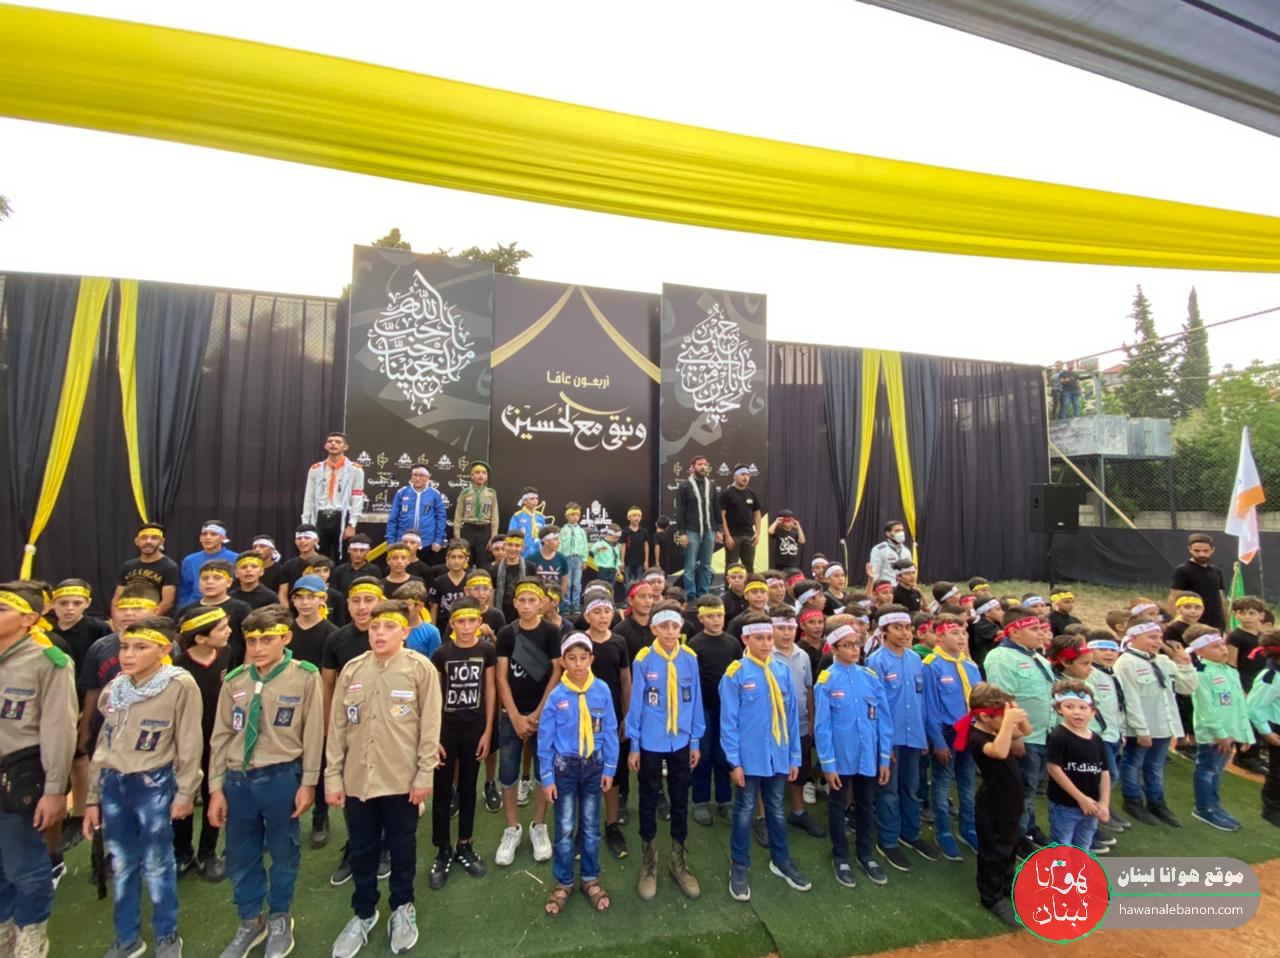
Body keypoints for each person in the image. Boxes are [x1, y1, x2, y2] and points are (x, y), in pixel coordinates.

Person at [325, 600, 441, 958]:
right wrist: (333, 777)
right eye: (375, 627)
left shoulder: (420, 669)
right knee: (361, 849)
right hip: (358, 779)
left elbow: (430, 727)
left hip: (402, 780)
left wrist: (424, 775)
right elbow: (338, 727)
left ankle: (403, 908)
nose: (379, 633)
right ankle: (364, 912)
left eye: (389, 627)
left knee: (402, 848)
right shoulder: (352, 670)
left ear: (405, 632)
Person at [206, 605, 323, 958]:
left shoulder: (305, 677)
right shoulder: (235, 681)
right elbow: (221, 736)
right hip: (238, 779)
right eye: (251, 640)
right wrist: (215, 788)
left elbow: (313, 733)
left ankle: (280, 917)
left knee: (284, 851)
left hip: (281, 776)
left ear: (285, 638)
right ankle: (250, 920)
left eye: (267, 640)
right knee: (241, 855)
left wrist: (309, 783)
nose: (258, 648)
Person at [83, 615, 202, 958]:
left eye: (140, 647)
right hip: (114, 784)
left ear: (164, 649)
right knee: (122, 863)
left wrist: (185, 792)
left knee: (157, 863)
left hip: (153, 785)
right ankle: (127, 936)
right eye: (124, 647)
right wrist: (92, 798)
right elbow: (104, 744)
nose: (128, 655)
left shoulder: (180, 685)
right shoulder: (116, 688)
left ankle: (167, 934)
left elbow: (190, 743)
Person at [0, 583, 77, 958]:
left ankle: (31, 937)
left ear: (29, 618)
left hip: (21, 774)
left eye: (2, 609)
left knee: (25, 867)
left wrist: (55, 789)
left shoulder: (49, 662)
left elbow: (60, 729)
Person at [721, 614, 809, 901]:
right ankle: (739, 865)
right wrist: (734, 762)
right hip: (750, 758)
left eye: (769, 637)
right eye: (759, 638)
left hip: (779, 755)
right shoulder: (735, 673)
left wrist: (794, 757)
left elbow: (792, 718)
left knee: (776, 808)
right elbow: (728, 722)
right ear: (745, 639)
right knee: (745, 810)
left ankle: (781, 860)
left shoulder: (782, 670)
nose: (766, 643)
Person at [626, 601, 704, 901]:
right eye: (664, 626)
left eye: (675, 626)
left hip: (681, 740)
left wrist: (695, 741)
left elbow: (695, 700)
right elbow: (636, 703)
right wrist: (634, 744)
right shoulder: (644, 660)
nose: (670, 632)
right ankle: (649, 863)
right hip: (651, 740)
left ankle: (678, 860)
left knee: (681, 798)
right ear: (653, 629)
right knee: (648, 798)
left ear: (680, 627)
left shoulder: (689, 658)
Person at [538, 633, 619, 916]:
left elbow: (610, 729)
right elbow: (545, 739)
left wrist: (610, 767)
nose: (578, 664)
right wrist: (547, 777)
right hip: (565, 769)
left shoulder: (602, 690)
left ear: (591, 659)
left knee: (591, 826)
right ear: (562, 661)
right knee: (564, 827)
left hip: (594, 766)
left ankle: (590, 878)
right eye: (571, 658)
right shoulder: (556, 696)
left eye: (583, 658)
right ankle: (564, 881)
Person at [814, 624, 892, 888]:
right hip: (841, 756)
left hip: (867, 755)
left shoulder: (869, 676)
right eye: (847, 645)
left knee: (866, 804)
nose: (854, 650)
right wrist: (828, 764)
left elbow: (883, 719)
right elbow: (822, 726)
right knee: (838, 805)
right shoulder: (826, 680)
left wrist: (884, 757)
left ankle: (866, 854)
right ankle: (841, 855)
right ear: (834, 649)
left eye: (857, 644)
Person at [494, 580, 563, 868]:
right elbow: (501, 676)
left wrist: (538, 712)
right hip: (511, 715)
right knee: (508, 772)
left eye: (532, 600)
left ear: (542, 602)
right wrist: (514, 715)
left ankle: (538, 824)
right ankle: (512, 828)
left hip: (543, 715)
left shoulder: (551, 632)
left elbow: (557, 671)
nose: (526, 606)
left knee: (542, 770)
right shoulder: (507, 633)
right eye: (521, 600)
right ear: (514, 603)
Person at [428, 600, 495, 890]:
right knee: (442, 791)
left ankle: (464, 843)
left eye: (472, 621)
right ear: (452, 624)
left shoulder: (487, 651)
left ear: (479, 622)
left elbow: (490, 690)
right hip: (445, 732)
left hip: (474, 730)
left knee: (469, 788)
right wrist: (433, 737)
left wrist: (488, 731)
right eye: (461, 622)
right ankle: (443, 849)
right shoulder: (441, 654)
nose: (466, 628)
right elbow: (433, 697)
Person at [319, 577, 380, 885]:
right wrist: (329, 728)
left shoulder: (389, 635)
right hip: (350, 728)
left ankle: (383, 846)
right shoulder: (337, 639)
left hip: (385, 729)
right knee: (352, 791)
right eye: (356, 601)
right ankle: (355, 848)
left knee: (384, 789)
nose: (362, 607)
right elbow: (327, 686)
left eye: (369, 600)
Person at [865, 607, 936, 870]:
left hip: (913, 735)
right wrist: (883, 744)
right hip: (890, 738)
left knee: (912, 787)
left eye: (907, 628)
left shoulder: (916, 660)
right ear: (884, 632)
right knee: (889, 791)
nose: (905, 633)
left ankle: (911, 833)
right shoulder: (875, 662)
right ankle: (888, 839)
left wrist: (924, 734)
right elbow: (874, 706)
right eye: (897, 628)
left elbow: (921, 700)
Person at [982, 606, 1056, 851]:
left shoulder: (1038, 658)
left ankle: (1028, 828)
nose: (1040, 633)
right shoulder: (1001, 658)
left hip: (1041, 734)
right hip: (1024, 738)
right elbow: (1002, 700)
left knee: (1029, 788)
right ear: (1014, 632)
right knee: (1020, 790)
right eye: (1033, 629)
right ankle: (1016, 837)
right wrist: (1013, 737)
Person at [1114, 620, 1197, 827]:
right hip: (1141, 726)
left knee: (1155, 766)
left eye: (1160, 637)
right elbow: (1130, 699)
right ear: (1133, 637)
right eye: (1151, 637)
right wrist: (1141, 729)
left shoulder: (1163, 661)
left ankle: (1157, 802)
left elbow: (1187, 688)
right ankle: (1133, 801)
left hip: (1163, 725)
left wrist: (1185, 663)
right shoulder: (1126, 663)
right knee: (1133, 763)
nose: (1158, 642)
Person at [171, 605, 233, 882]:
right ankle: (182, 852)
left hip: (217, 741)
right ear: (200, 638)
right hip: (185, 743)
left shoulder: (227, 655)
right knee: (183, 793)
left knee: (215, 793)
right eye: (222, 628)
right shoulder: (177, 667)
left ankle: (208, 851)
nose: (228, 632)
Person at [961, 682, 1031, 927]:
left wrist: (1016, 716)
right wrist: (1008, 723)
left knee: (1010, 846)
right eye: (1001, 716)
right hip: (992, 804)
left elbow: (1026, 731)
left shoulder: (998, 728)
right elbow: (999, 752)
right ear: (984, 717)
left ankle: (1007, 884)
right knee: (994, 851)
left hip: (1011, 800)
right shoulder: (977, 736)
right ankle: (991, 897)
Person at [922, 614, 982, 860]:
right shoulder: (931, 665)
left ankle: (968, 828)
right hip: (947, 732)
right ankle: (944, 830)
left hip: (972, 731)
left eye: (963, 633)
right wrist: (937, 741)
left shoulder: (970, 665)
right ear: (939, 636)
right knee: (943, 782)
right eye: (954, 633)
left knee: (968, 782)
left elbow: (979, 702)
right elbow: (930, 707)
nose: (961, 638)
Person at [579, 593, 631, 859]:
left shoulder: (619, 642)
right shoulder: (580, 641)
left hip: (612, 720)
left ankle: (611, 825)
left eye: (607, 611)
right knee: (584, 772)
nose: (602, 617)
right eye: (597, 612)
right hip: (583, 718)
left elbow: (625, 680)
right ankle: (583, 829)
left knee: (613, 772)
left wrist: (626, 716)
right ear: (587, 615)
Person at [1186, 626, 1249, 831]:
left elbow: (1239, 706)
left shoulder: (1230, 671)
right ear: (1199, 651)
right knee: (1207, 770)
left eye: (1222, 645)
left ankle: (1214, 805)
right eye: (1215, 647)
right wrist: (1221, 735)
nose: (1223, 650)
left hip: (1229, 734)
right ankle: (1204, 808)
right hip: (1213, 736)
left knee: (1217, 771)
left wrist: (1245, 734)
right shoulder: (1201, 674)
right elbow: (1207, 710)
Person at [768, 608, 823, 838]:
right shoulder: (765, 655)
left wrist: (811, 720)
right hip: (772, 725)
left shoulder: (803, 656)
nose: (786, 633)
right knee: (769, 771)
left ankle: (798, 811)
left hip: (799, 724)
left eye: (790, 628)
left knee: (799, 770)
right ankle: (765, 817)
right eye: (780, 628)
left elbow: (808, 690)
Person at [1045, 679, 1110, 850]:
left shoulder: (1096, 739)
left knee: (1083, 847)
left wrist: (1104, 803)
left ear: (1092, 711)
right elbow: (1054, 768)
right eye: (1069, 707)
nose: (1077, 712)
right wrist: (1081, 799)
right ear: (1059, 708)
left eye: (1082, 708)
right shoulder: (1059, 736)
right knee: (1062, 847)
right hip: (1065, 806)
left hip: (1092, 806)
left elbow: (1104, 772)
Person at [690, 595, 737, 827]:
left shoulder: (733, 644)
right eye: (710, 616)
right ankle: (700, 800)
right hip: (703, 710)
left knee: (724, 754)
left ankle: (724, 799)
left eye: (719, 615)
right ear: (701, 619)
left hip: (727, 710)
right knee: (703, 754)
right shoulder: (694, 645)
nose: (716, 620)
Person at [1083, 632, 1130, 833]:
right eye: (1102, 650)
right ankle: (1098, 810)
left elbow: (1118, 706)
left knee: (1111, 775)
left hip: (1114, 733)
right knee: (1108, 775)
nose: (1109, 654)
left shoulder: (1114, 674)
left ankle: (1104, 806)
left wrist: (1122, 730)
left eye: (1113, 650)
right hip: (1100, 735)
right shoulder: (1090, 675)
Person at [301, 432, 365, 560]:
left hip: (341, 516)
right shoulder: (316, 469)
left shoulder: (355, 469)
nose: (333, 444)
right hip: (320, 516)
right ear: (326, 446)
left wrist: (352, 524)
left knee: (342, 556)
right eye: (330, 441)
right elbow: (308, 497)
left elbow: (357, 497)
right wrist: (306, 523)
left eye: (338, 442)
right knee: (318, 557)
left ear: (345, 447)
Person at [179, 560, 252, 669]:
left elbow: (250, 640)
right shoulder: (187, 610)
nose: (210, 582)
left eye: (217, 578)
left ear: (229, 582)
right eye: (205, 578)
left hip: (233, 667)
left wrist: (247, 668)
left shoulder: (241, 609)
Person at [1245, 633, 1280, 828]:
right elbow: (1253, 707)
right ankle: (1272, 809)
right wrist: (1266, 732)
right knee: (1278, 772)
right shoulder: (1270, 678)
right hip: (1277, 729)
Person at [674, 456, 720, 598]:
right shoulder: (685, 486)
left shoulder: (711, 485)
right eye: (700, 464)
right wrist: (682, 533)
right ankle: (690, 593)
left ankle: (704, 592)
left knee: (706, 564)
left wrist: (718, 530)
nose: (703, 467)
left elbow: (716, 508)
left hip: (709, 530)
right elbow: (680, 510)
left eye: (705, 464)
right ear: (693, 467)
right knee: (690, 565)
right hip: (691, 530)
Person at [115, 523, 180, 615]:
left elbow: (167, 603)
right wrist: (117, 618)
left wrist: (147, 619)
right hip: (128, 614)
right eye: (144, 538)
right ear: (137, 541)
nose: (148, 541)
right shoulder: (128, 566)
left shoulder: (170, 567)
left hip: (155, 619)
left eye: (154, 538)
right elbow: (117, 598)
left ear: (162, 541)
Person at [1169, 533, 1228, 631]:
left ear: (1212, 550)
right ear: (1190, 549)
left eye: (1205, 551)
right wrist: (1174, 622)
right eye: (1197, 551)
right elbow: (1174, 597)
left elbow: (1221, 598)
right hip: (1193, 623)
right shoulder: (1183, 570)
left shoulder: (1216, 571)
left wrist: (1226, 622)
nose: (1201, 554)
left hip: (1216, 623)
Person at [178, 520, 238, 610]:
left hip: (224, 606)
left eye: (213, 534)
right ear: (200, 538)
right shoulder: (189, 560)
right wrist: (183, 609)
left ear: (223, 538)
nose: (208, 537)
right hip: (194, 607)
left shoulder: (235, 558)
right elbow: (184, 589)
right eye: (204, 534)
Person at [385, 464, 446, 552]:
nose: (417, 478)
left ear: (428, 477)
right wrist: (390, 541)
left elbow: (441, 519)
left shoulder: (435, 494)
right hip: (404, 541)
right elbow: (393, 518)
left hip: (427, 542)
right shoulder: (402, 493)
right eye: (415, 475)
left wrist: (438, 540)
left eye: (421, 475)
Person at [454, 461, 500, 565]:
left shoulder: (491, 493)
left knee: (484, 562)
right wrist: (457, 536)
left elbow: (495, 516)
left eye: (484, 473)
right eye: (477, 472)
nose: (481, 475)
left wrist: (493, 536)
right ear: (471, 476)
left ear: (487, 477)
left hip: (485, 530)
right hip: (468, 529)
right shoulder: (465, 493)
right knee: (466, 562)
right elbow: (458, 515)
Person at [427, 541, 470, 633]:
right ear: (447, 559)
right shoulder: (438, 582)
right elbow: (434, 607)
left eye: (460, 557)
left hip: (467, 626)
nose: (456, 561)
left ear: (466, 560)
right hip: (443, 628)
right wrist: (433, 631)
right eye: (453, 557)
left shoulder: (471, 580)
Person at [274, 526, 324, 605]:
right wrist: (287, 611)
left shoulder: (324, 563)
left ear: (316, 540)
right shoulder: (289, 565)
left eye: (307, 538)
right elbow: (282, 594)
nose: (302, 541)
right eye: (299, 538)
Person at [492, 533, 532, 622]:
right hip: (502, 611)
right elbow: (492, 592)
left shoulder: (530, 567)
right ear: (504, 546)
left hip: (524, 610)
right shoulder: (495, 568)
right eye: (510, 545)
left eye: (517, 546)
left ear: (522, 548)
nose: (513, 549)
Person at [559, 503, 589, 615]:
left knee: (577, 584)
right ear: (567, 516)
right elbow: (559, 545)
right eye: (572, 515)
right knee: (566, 583)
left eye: (577, 515)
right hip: (566, 558)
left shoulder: (581, 531)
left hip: (578, 559)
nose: (575, 517)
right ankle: (566, 606)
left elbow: (585, 546)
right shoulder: (563, 530)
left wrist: (585, 560)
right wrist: (560, 559)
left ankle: (576, 606)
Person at [867, 520, 911, 591]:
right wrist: (874, 590)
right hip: (887, 588)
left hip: (903, 589)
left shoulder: (906, 551)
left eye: (902, 530)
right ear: (888, 534)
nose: (901, 533)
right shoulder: (879, 549)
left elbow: (909, 572)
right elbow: (875, 573)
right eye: (897, 530)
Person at [508, 488, 548, 559]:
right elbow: (512, 534)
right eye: (532, 499)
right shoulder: (517, 516)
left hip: (539, 552)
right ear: (524, 501)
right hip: (522, 552)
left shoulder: (540, 517)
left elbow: (544, 535)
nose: (535, 501)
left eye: (536, 498)